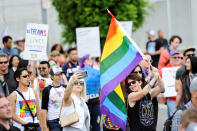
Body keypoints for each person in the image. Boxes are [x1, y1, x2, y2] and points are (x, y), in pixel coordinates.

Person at [41, 66, 66, 131]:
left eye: (61, 74)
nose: (60, 76)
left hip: (66, 119)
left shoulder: (65, 87)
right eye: (57, 75)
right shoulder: (47, 90)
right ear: (52, 77)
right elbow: (44, 109)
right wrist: (44, 126)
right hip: (53, 121)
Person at [80, 55, 100, 131]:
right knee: (87, 125)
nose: (90, 60)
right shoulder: (82, 71)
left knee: (96, 125)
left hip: (96, 101)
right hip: (86, 102)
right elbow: (86, 81)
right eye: (88, 59)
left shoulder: (96, 70)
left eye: (92, 59)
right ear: (84, 62)